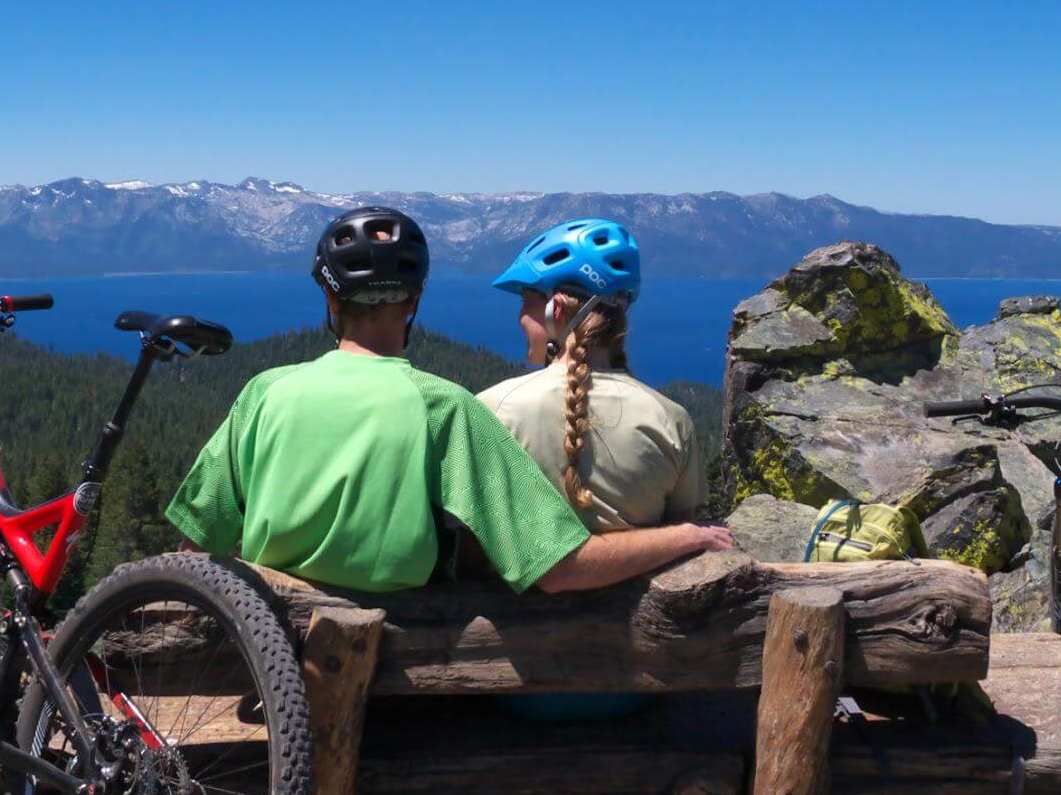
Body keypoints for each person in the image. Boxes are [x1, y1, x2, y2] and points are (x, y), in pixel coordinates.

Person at [165, 206, 731, 595]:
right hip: (396, 679)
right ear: (414, 303)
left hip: (271, 662)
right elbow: (557, 569)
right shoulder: (446, 409)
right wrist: (689, 535)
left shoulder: (264, 393)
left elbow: (194, 546)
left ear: (332, 303)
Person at [478, 219, 705, 534]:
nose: (520, 317)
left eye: (525, 301)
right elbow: (683, 534)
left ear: (556, 309)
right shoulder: (671, 420)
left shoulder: (494, 409)